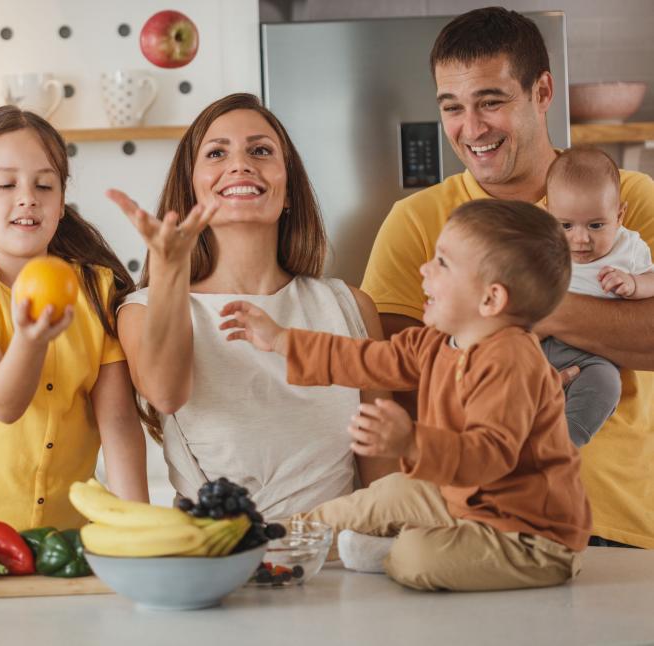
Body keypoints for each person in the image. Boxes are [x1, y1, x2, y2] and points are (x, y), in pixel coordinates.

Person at [360, 6, 654, 549]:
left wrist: (508, 306)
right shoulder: (415, 221)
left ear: (542, 92)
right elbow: (399, 384)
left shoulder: (627, 199)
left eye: (491, 101)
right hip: (479, 519)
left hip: (617, 525)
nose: (471, 129)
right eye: (453, 107)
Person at [222, 200, 590, 591]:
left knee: (417, 558)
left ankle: (386, 551)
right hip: (459, 497)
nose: (425, 269)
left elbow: (490, 455)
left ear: (491, 300)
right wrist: (281, 340)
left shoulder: (512, 361)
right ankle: (267, 540)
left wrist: (412, 441)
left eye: (443, 263)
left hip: (528, 533)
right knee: (377, 497)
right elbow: (363, 358)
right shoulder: (436, 343)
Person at [107, 93, 396, 521]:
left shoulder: (349, 307)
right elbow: (166, 393)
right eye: (217, 153)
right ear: (192, 189)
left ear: (288, 191)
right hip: (216, 566)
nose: (240, 164)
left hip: (338, 567)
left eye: (260, 150)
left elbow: (382, 481)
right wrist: (170, 270)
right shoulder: (143, 309)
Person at [0, 106, 148, 537]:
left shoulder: (98, 289)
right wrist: (30, 338)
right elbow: (3, 403)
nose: (27, 197)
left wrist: (139, 528)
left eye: (44, 185)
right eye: (6, 184)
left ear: (61, 204)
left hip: (67, 539)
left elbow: (117, 422)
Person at [542, 147, 654, 447]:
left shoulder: (628, 249)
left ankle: (565, 441)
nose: (580, 239)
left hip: (592, 357)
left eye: (595, 225)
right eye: (566, 225)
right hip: (536, 345)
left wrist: (634, 284)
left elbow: (652, 281)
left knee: (606, 384)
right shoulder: (540, 244)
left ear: (619, 216)